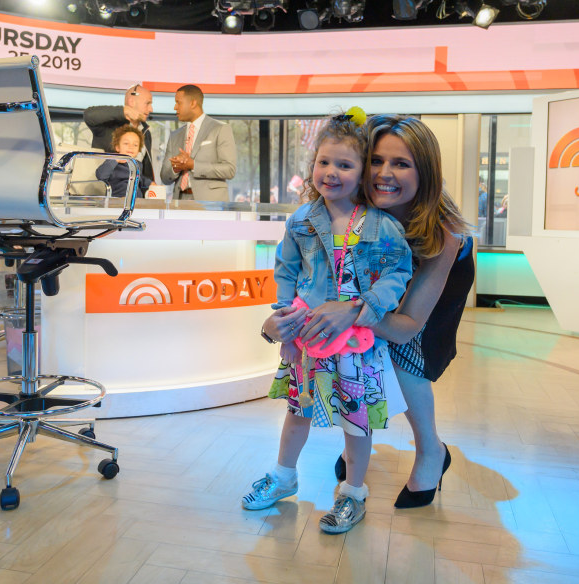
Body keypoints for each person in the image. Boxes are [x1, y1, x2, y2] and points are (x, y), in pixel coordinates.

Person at [242, 112, 412, 534]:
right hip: (307, 339)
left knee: (357, 421)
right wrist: (283, 318)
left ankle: (353, 493)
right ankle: (284, 476)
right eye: (323, 162)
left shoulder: (383, 226)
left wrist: (368, 305)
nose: (331, 172)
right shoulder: (301, 220)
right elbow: (285, 269)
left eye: (345, 165)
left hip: (358, 344)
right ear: (312, 165)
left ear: (362, 173)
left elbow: (399, 273)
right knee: (296, 411)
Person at [331, 114, 475, 508]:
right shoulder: (355, 208)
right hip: (377, 282)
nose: (384, 173)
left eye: (401, 163)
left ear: (424, 171)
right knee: (356, 348)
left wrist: (349, 311)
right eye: (376, 160)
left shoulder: (443, 234)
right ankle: (355, 442)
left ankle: (431, 450)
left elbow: (407, 327)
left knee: (404, 354)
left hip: (436, 281)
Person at [160, 85, 236, 202]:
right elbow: (164, 177)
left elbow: (229, 169)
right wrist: (176, 168)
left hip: (210, 204)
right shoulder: (175, 136)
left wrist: (193, 165)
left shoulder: (220, 129)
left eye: (178, 102)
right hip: (179, 202)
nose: (175, 107)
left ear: (193, 103)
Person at [83, 84, 155, 184]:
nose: (151, 109)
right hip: (105, 193)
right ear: (132, 102)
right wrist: (123, 111)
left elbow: (145, 171)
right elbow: (89, 115)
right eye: (147, 103)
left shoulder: (146, 131)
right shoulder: (108, 126)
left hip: (135, 195)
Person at [95, 125, 153, 198]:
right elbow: (100, 175)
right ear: (117, 147)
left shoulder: (138, 164)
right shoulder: (113, 162)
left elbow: (141, 179)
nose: (131, 147)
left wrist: (151, 183)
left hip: (136, 200)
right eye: (126, 143)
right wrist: (115, 160)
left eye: (135, 145)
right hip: (118, 199)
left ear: (139, 150)